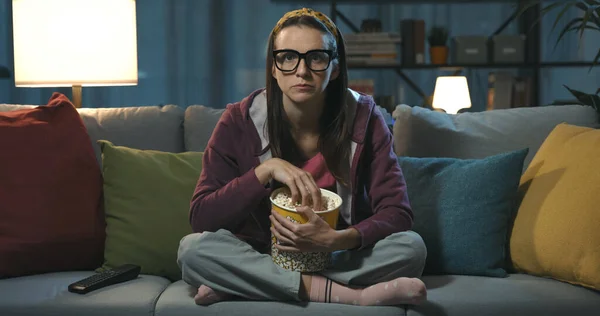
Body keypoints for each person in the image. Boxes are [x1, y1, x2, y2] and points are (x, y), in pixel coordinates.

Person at [177, 7, 427, 307]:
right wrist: (265, 171)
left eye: (316, 58)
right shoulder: (238, 121)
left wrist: (338, 239)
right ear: (273, 66)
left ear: (334, 67)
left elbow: (398, 213)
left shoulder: (365, 118)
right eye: (287, 57)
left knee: (411, 248)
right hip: (261, 253)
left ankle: (249, 284)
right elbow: (202, 216)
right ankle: (352, 296)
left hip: (337, 253)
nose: (301, 71)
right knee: (192, 250)